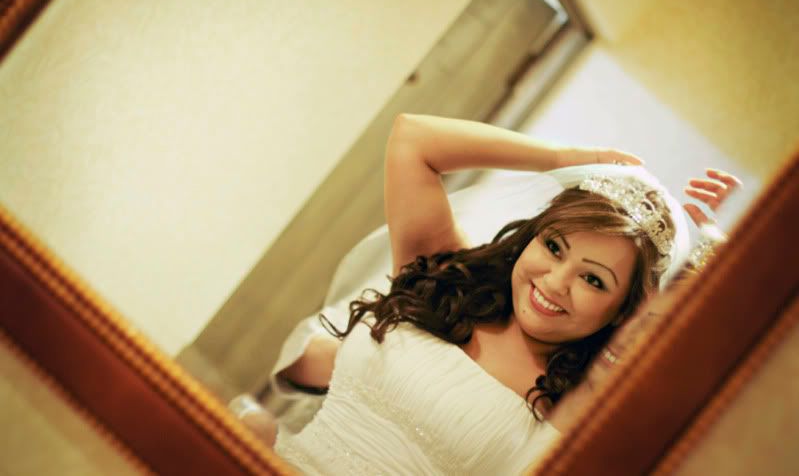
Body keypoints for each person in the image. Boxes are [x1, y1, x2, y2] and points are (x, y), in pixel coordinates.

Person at [232, 114, 738, 474]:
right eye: (554, 247)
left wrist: (712, 263)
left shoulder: (582, 400)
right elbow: (414, 138)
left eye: (594, 280)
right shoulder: (445, 277)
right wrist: (568, 159)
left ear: (623, 310)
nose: (554, 281)